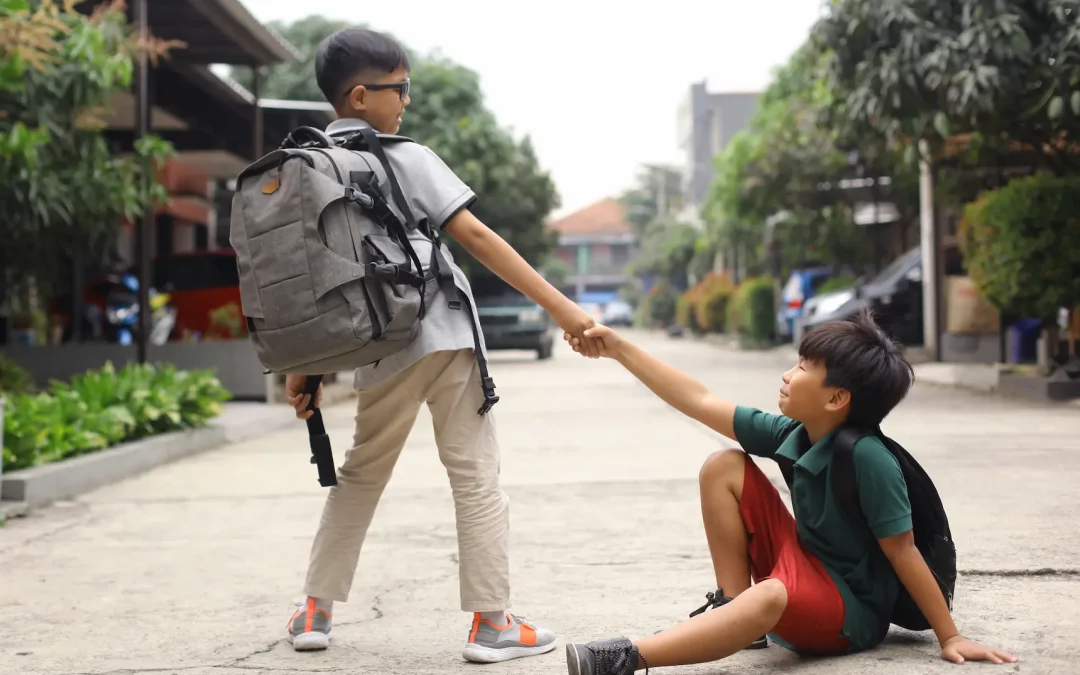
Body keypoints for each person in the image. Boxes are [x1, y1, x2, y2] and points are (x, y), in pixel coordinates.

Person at [281, 27, 600, 662]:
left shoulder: (303, 171)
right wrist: (567, 311)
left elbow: (309, 284)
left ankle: (314, 611)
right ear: (363, 94)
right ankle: (492, 625)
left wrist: (305, 370)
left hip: (373, 348)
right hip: (444, 335)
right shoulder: (406, 157)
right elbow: (476, 238)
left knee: (360, 474)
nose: (406, 102)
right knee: (475, 475)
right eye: (399, 89)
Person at [560, 311, 1018, 674]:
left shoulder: (870, 459)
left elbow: (904, 553)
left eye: (802, 367)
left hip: (847, 611)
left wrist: (950, 636)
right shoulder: (795, 433)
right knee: (724, 465)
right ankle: (734, 608)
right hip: (803, 564)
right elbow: (699, 400)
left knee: (770, 596)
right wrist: (619, 349)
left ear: (836, 399)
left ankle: (628, 657)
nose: (787, 374)